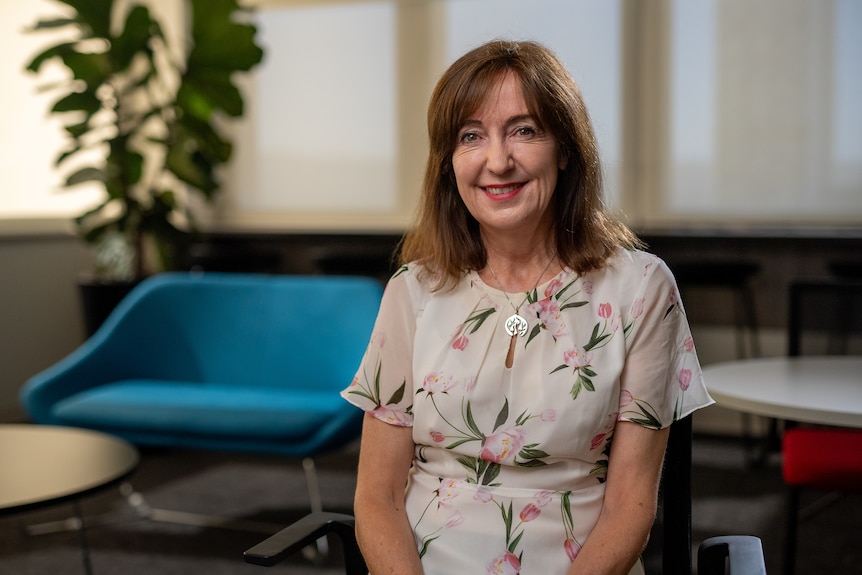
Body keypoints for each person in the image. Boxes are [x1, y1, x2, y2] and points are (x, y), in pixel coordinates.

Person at [341, 39, 713, 575]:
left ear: (565, 148)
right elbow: (375, 499)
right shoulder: (413, 290)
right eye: (472, 136)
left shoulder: (640, 289)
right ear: (449, 164)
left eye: (524, 130)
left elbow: (632, 506)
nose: (498, 160)